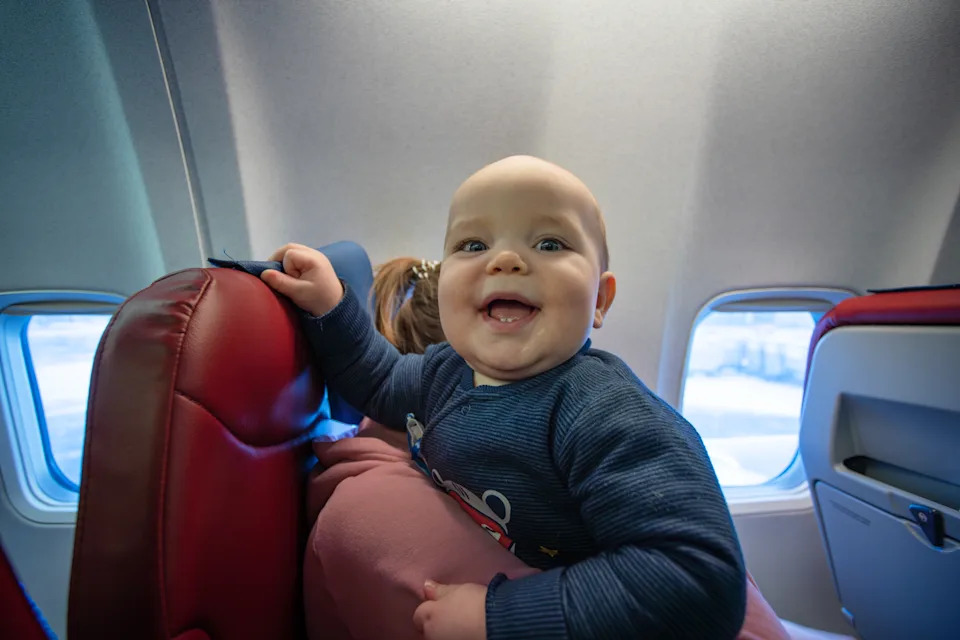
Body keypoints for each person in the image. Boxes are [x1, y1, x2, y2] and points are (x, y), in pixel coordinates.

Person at [263, 155, 746, 640]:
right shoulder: (447, 370)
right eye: (473, 244)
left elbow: (698, 577)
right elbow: (381, 379)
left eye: (549, 243)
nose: (506, 260)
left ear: (599, 300)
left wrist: (502, 618)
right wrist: (331, 306)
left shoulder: (603, 412)